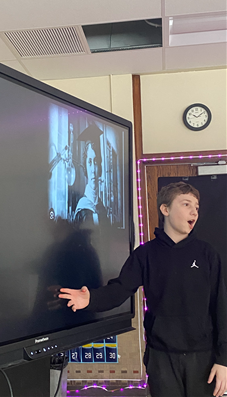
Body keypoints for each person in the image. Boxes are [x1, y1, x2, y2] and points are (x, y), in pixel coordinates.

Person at [59, 182, 227, 397]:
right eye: (186, 204)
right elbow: (120, 289)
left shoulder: (207, 254)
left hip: (203, 356)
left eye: (196, 206)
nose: (194, 211)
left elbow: (221, 306)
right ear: (165, 209)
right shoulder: (145, 255)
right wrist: (90, 298)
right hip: (161, 357)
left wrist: (224, 360)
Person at [74, 123, 108, 225]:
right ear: (85, 167)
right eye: (89, 162)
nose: (93, 169)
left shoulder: (102, 208)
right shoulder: (81, 209)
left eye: (96, 162)